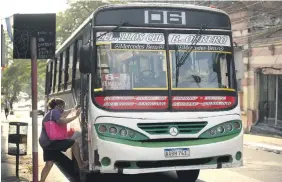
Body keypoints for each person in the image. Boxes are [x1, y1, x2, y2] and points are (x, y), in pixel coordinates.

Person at [39, 98, 87, 182]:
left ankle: (41, 181)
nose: (64, 108)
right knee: (74, 143)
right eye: (63, 106)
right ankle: (81, 164)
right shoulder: (55, 112)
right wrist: (75, 116)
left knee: (49, 164)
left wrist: (74, 109)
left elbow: (65, 112)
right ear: (58, 106)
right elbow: (61, 121)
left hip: (45, 143)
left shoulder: (51, 112)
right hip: (52, 142)